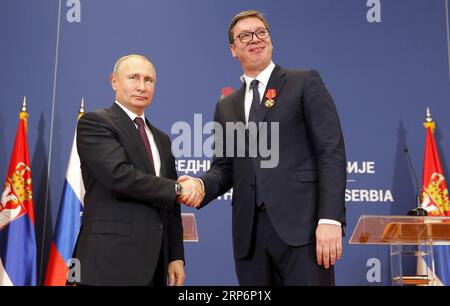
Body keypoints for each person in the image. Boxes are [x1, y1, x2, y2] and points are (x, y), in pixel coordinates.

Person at [179, 10, 346, 285]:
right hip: (250, 238)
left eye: (261, 32)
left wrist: (330, 219)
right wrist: (200, 186)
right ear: (233, 49)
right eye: (244, 36)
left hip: (302, 231)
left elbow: (331, 152)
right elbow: (225, 167)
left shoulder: (303, 82)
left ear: (270, 40)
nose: (255, 39)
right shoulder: (227, 105)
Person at [74, 54, 198, 286]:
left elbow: (170, 204)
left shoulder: (161, 139)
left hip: (154, 264)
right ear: (114, 81)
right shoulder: (95, 123)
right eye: (133, 78)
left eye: (149, 80)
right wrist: (179, 188)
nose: (142, 86)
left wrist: (176, 256)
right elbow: (119, 177)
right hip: (107, 263)